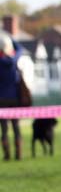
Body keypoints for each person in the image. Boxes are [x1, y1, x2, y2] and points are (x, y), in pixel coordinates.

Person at [0, 32, 23, 161]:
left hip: (1, 99)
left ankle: (7, 155)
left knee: (3, 128)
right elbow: (19, 48)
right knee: (15, 126)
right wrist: (10, 39)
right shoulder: (13, 60)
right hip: (14, 98)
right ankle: (18, 154)